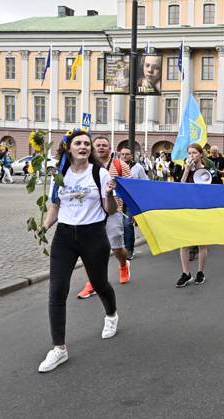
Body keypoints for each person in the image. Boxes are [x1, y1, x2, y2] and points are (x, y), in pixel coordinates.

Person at [39, 130, 119, 373]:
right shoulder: (59, 175)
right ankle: (59, 348)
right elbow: (55, 205)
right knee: (57, 290)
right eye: (78, 143)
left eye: (87, 143)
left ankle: (111, 314)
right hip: (64, 236)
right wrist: (43, 228)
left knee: (99, 283)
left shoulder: (100, 173)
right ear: (69, 148)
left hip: (93, 235)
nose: (83, 146)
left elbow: (111, 210)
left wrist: (109, 194)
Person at [77, 138, 132, 299]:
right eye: (98, 145)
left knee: (116, 247)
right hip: (92, 213)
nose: (101, 148)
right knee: (92, 249)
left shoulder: (120, 165)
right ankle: (92, 283)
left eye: (104, 145)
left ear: (110, 148)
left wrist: (133, 212)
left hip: (114, 210)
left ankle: (123, 264)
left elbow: (130, 188)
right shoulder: (86, 165)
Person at [176, 143, 208, 288]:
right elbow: (181, 186)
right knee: (184, 242)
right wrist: (187, 170)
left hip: (201, 209)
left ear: (201, 154)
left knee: (202, 243)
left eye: (194, 153)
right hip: (187, 208)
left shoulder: (206, 171)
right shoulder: (187, 169)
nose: (191, 156)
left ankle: (200, 272)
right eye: (189, 153)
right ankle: (186, 273)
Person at [119, 147, 148, 260]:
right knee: (118, 226)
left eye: (127, 154)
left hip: (131, 201)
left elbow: (145, 183)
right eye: (122, 154)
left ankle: (129, 249)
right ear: (119, 155)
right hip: (117, 201)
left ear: (131, 156)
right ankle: (117, 247)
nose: (125, 156)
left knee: (127, 224)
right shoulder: (115, 166)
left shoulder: (137, 167)